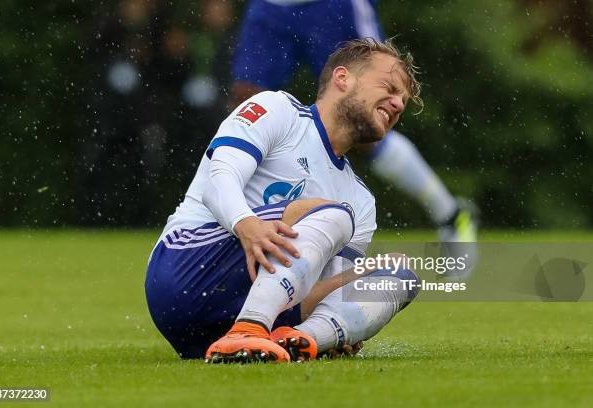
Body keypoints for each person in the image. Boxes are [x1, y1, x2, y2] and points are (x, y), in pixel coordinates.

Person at [145, 38, 422, 363]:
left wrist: (347, 312)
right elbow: (219, 179)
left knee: (400, 271)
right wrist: (248, 225)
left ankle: (305, 340)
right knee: (329, 213)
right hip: (185, 273)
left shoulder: (362, 201)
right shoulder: (278, 110)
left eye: (402, 100)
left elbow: (321, 291)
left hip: (253, 312)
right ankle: (249, 328)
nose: (398, 104)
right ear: (343, 78)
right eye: (389, 88)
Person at [230, 0, 478, 244]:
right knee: (247, 100)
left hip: (335, 6)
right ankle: (241, 213)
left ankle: (450, 215)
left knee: (365, 125)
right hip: (272, 6)